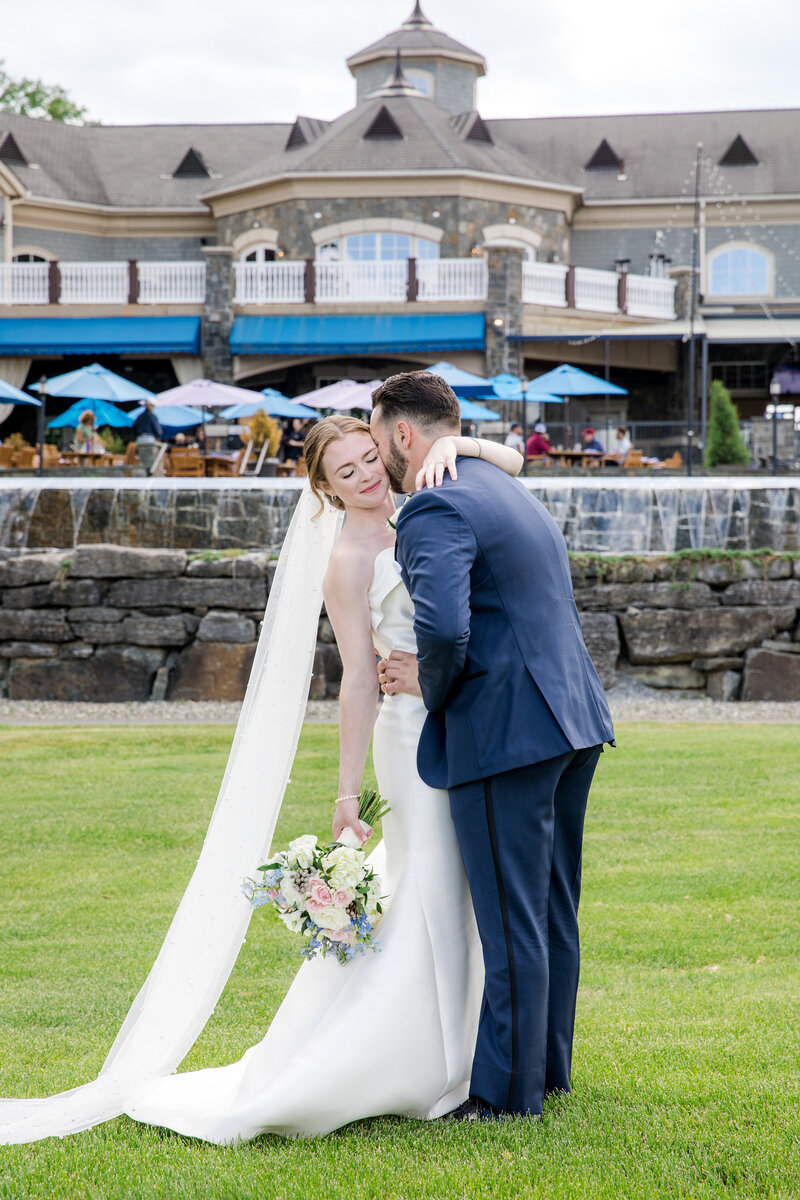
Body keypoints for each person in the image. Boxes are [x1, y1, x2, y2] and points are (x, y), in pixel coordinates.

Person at [0, 414, 521, 1146]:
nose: (369, 475)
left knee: (457, 888)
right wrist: (347, 793)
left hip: (456, 723)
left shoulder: (425, 500)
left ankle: (458, 1050)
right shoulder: (347, 559)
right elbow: (357, 684)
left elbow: (514, 461)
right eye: (348, 473)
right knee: (430, 883)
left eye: (372, 458)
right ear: (327, 492)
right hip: (409, 739)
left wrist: (452, 443)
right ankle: (408, 1064)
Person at [369, 371, 615, 1121]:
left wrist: (431, 686)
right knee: (550, 910)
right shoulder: (503, 486)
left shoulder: (433, 505)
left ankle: (507, 1098)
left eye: (379, 439)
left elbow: (442, 629)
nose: (379, 456)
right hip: (572, 719)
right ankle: (548, 1071)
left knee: (510, 922)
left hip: (506, 727)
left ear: (403, 435)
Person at [132, 400, 163, 474]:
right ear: (148, 405)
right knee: (152, 457)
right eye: (152, 405)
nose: (153, 407)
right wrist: (159, 436)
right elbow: (158, 430)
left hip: (140, 439)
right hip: (149, 439)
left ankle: (143, 472)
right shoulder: (152, 416)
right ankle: (150, 472)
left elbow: (133, 428)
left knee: (143, 458)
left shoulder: (140, 416)